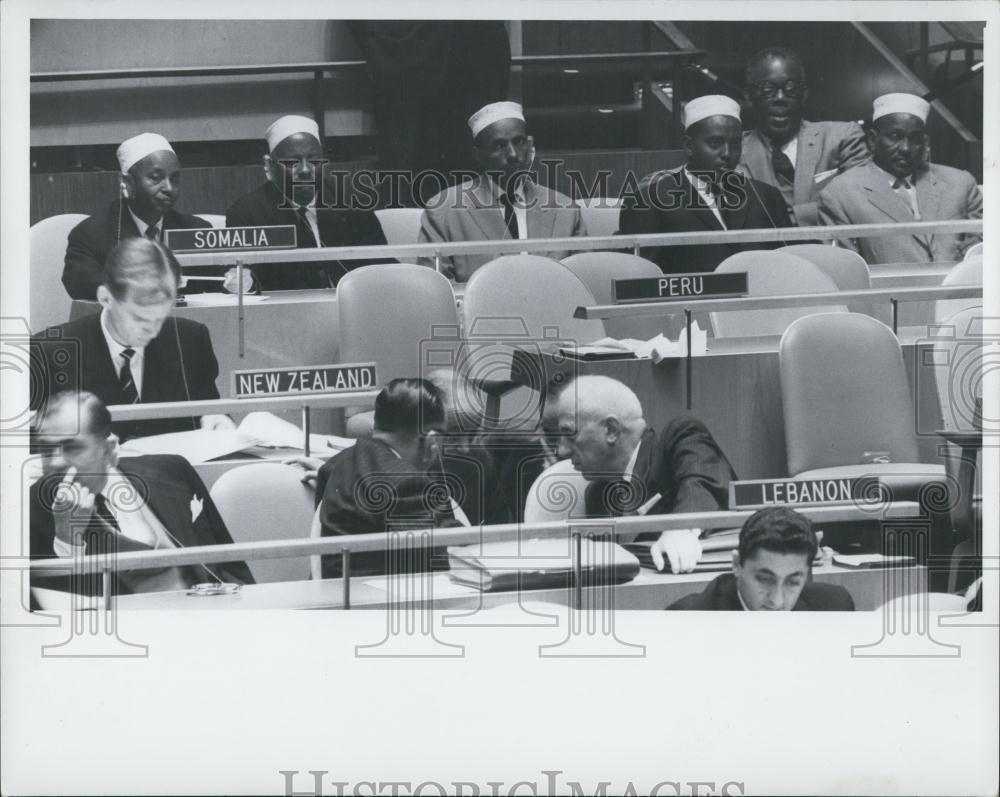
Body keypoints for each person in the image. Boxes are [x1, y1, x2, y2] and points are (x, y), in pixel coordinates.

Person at [29, 391, 253, 596]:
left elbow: (231, 566)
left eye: (72, 447)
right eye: (46, 450)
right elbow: (50, 615)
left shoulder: (172, 470)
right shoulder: (29, 510)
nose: (55, 461)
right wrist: (67, 540)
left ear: (109, 449)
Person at [32, 238, 233, 441]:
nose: (152, 330)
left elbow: (208, 408)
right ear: (105, 298)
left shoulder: (191, 339)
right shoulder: (46, 354)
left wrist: (215, 419)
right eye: (139, 317)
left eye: (160, 316)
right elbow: (32, 445)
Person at [554, 375, 736, 574]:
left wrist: (682, 528)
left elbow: (706, 482)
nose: (561, 451)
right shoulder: (597, 495)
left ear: (611, 430)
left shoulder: (677, 439)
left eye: (570, 433)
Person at [619, 94, 792, 274]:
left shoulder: (766, 196)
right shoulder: (649, 201)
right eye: (715, 143)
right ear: (689, 146)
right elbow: (639, 279)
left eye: (734, 144)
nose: (727, 153)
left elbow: (791, 265)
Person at [418, 101, 587, 282]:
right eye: (499, 146)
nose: (513, 154)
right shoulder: (444, 210)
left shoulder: (565, 209)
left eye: (519, 142)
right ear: (478, 155)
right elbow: (437, 291)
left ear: (530, 146)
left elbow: (584, 281)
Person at [315, 378, 466, 579]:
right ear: (432, 439)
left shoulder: (336, 464)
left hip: (342, 598)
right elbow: (456, 562)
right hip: (384, 604)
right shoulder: (408, 485)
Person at [225, 114, 389, 291]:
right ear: (270, 166)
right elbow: (245, 283)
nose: (304, 170)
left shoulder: (350, 202)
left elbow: (384, 266)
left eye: (313, 160)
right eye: (292, 162)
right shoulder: (247, 214)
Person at [818, 92, 983, 263]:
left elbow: (981, 248)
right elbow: (845, 269)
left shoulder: (960, 183)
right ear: (873, 140)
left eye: (915, 139)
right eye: (895, 137)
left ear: (925, 143)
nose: (905, 148)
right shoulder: (840, 194)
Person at [62, 132, 212, 300]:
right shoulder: (91, 234)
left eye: (174, 178)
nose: (169, 188)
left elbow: (220, 281)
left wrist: (240, 280)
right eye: (156, 178)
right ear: (128, 182)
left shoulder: (196, 230)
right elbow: (79, 284)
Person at [739, 47, 869, 226]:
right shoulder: (734, 152)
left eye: (791, 88)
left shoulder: (843, 138)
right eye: (767, 89)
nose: (780, 98)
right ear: (748, 96)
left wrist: (780, 219)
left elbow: (862, 205)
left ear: (804, 95)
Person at [667, 507, 855, 610]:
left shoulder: (834, 606)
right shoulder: (686, 620)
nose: (777, 601)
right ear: (736, 565)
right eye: (764, 579)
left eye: (793, 582)